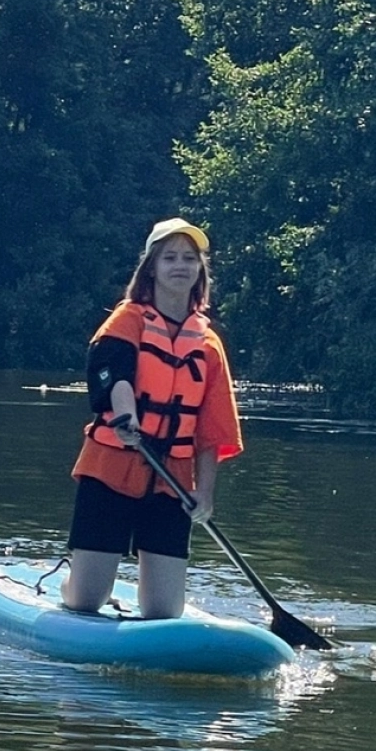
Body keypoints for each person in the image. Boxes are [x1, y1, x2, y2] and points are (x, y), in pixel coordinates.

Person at [62, 217, 242, 622]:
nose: (180, 266)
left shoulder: (208, 343)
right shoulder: (128, 320)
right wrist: (127, 416)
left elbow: (214, 429)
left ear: (199, 270)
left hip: (172, 481)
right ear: (153, 268)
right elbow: (114, 374)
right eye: (170, 258)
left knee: (164, 611)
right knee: (85, 603)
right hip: (111, 467)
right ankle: (70, 582)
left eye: (189, 258)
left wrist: (205, 494)